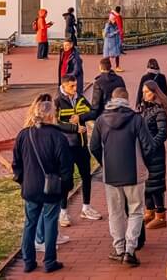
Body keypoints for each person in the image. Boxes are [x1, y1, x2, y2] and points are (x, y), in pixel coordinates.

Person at [89, 87, 157, 267]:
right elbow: (148, 146)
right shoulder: (136, 119)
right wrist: (145, 163)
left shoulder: (101, 120)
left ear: (112, 99)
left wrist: (104, 163)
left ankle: (119, 248)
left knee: (115, 212)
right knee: (135, 211)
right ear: (127, 100)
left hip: (111, 174)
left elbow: (94, 146)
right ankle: (130, 250)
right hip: (134, 172)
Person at [12, 97, 73, 274]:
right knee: (50, 223)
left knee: (29, 224)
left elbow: (16, 163)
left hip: (30, 187)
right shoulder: (57, 136)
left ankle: (28, 261)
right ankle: (49, 261)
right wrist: (65, 187)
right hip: (51, 188)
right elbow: (66, 166)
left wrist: (22, 181)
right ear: (50, 115)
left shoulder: (24, 134)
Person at [54, 75, 103, 227]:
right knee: (66, 180)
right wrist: (75, 128)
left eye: (76, 86)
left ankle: (86, 207)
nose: (75, 89)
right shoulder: (57, 101)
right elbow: (56, 123)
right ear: (64, 86)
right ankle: (63, 212)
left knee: (86, 176)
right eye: (72, 86)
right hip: (66, 147)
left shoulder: (80, 98)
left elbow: (94, 112)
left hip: (81, 145)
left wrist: (80, 117)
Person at [138, 81, 167, 229]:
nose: (144, 95)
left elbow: (163, 133)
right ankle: (149, 211)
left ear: (155, 93)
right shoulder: (144, 109)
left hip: (155, 153)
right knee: (146, 183)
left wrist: (151, 146)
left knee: (156, 183)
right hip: (144, 151)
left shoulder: (159, 111)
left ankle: (161, 215)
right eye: (143, 92)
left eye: (147, 92)